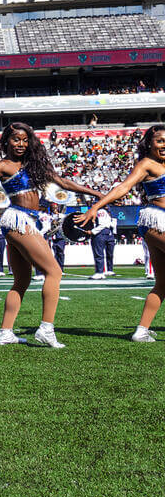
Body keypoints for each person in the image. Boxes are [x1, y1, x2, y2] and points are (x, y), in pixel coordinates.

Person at [0, 122, 102, 348]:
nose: (21, 144)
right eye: (16, 139)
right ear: (6, 141)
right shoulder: (4, 165)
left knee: (22, 280)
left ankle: (5, 332)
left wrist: (94, 193)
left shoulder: (34, 165)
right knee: (54, 271)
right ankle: (46, 328)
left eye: (25, 140)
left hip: (23, 221)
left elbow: (63, 182)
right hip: (18, 219)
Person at [76, 125, 165, 342]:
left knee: (162, 283)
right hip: (157, 219)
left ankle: (141, 331)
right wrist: (96, 207)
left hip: (156, 223)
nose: (164, 145)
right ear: (150, 144)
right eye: (160, 141)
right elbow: (122, 188)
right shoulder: (147, 164)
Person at [89, 207, 114, 280]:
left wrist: (93, 231)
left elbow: (102, 224)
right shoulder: (104, 212)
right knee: (99, 253)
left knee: (98, 253)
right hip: (104, 232)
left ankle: (99, 272)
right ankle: (100, 271)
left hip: (100, 233)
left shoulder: (100, 211)